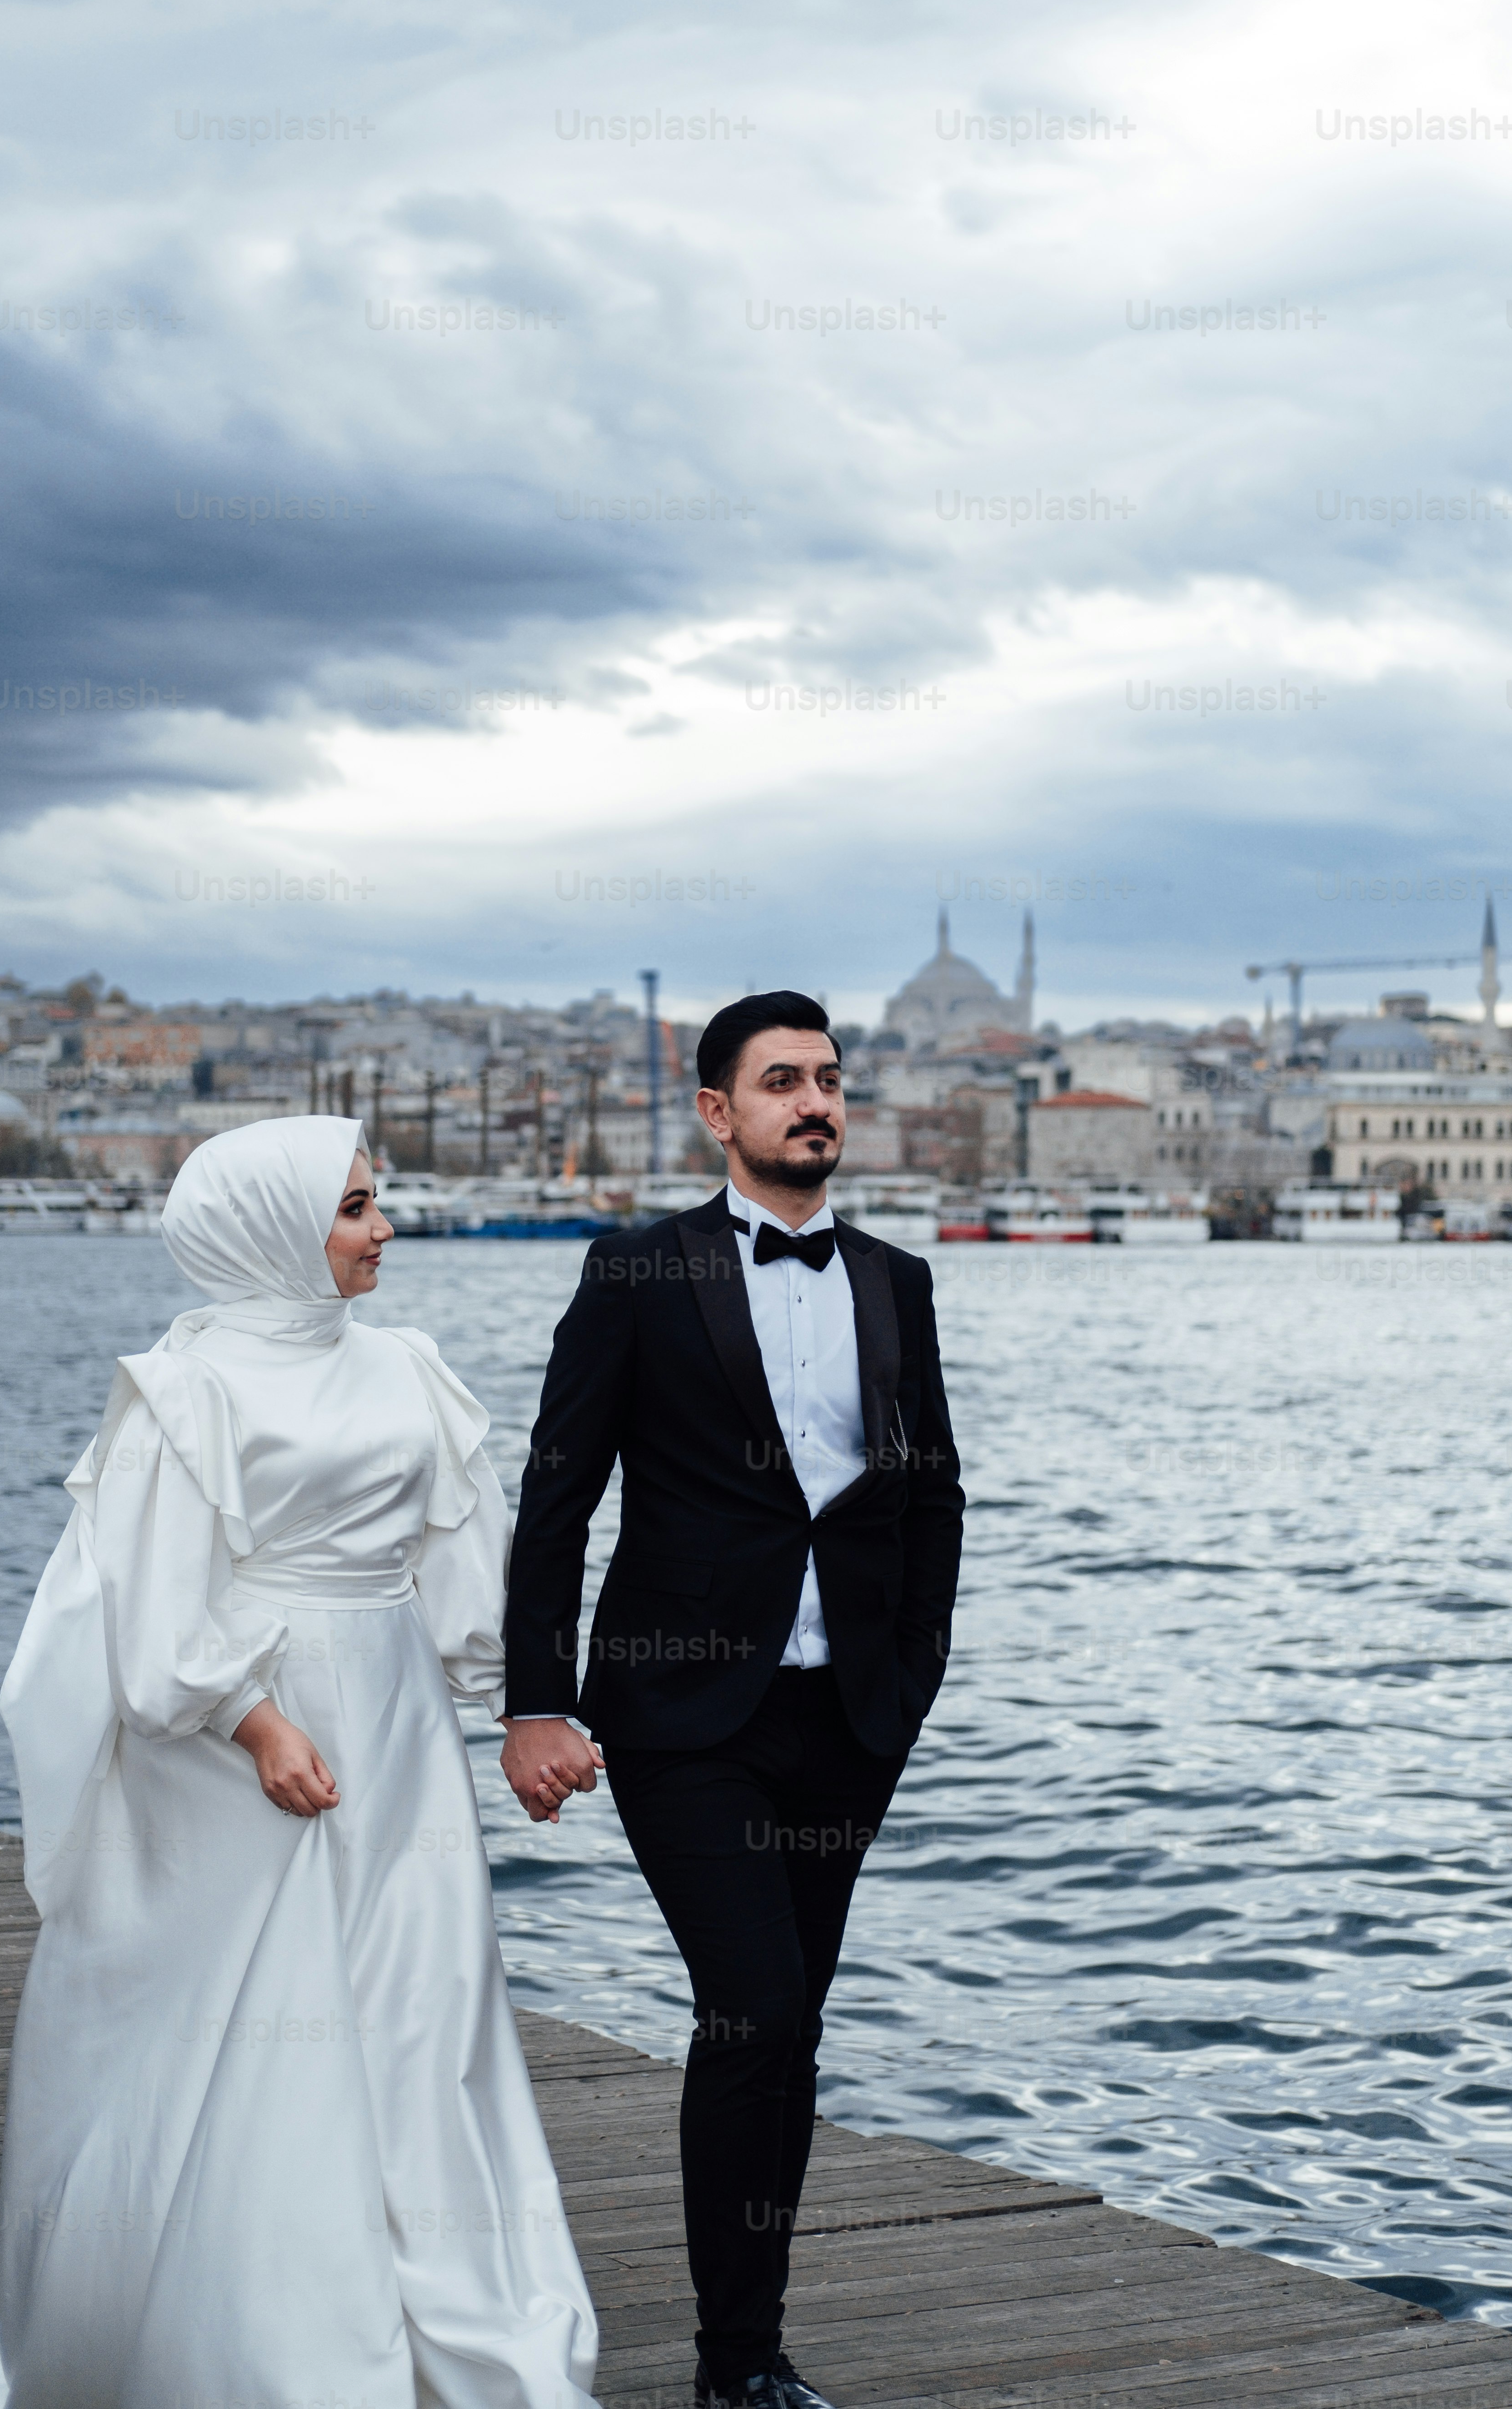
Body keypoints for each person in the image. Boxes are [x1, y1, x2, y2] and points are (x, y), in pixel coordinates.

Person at [0, 1117, 596, 2409]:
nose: (386, 1230)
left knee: (422, 2002)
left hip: (395, 1721)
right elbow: (156, 1600)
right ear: (270, 1226)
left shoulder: (409, 1366)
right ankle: (270, 2344)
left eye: (378, 1203)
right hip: (233, 1737)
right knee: (259, 2016)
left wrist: (516, 1709)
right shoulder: (186, 1387)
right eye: (357, 1207)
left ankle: (446, 2313)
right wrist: (256, 1722)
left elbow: (455, 1555)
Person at [499, 992, 963, 2409]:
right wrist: (537, 1700)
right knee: (754, 2009)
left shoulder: (896, 1280)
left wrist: (914, 1672)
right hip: (681, 1716)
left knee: (794, 2026)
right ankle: (733, 2362)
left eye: (829, 1079)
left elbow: (933, 1494)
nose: (814, 1102)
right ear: (719, 1113)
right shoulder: (638, 1270)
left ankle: (750, 2353)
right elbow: (558, 1497)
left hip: (850, 1722)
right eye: (781, 1082)